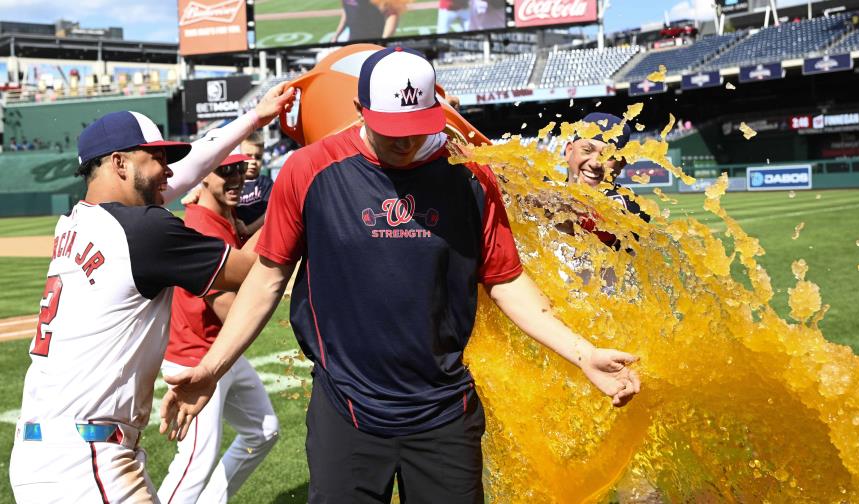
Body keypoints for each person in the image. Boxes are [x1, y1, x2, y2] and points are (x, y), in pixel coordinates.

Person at [160, 47, 640, 504]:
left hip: (446, 411)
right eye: (392, 128)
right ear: (359, 108)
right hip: (345, 409)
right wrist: (211, 368)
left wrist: (584, 353)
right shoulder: (310, 170)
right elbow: (266, 279)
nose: (406, 140)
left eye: (417, 125)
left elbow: (505, 279)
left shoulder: (468, 175)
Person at [8, 84, 293, 503]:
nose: (168, 170)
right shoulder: (144, 231)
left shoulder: (74, 221)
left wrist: (254, 118)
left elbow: (194, 164)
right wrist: (294, 193)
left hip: (40, 455)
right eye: (156, 158)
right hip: (87, 462)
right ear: (120, 162)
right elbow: (258, 271)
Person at [158, 154, 279, 503]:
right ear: (202, 179)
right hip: (194, 361)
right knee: (196, 462)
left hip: (221, 353)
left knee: (264, 431)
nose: (236, 177)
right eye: (225, 170)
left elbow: (244, 245)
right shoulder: (200, 227)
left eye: (240, 168)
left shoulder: (223, 216)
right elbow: (230, 311)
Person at [564, 112, 650, 250]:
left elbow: (571, 220)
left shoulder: (629, 206)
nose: (596, 163)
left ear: (621, 164)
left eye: (608, 156)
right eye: (587, 150)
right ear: (569, 151)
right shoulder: (546, 186)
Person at [234, 132, 273, 239]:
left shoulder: (266, 183)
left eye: (258, 157)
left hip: (260, 238)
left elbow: (269, 213)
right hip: (235, 239)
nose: (253, 161)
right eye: (248, 156)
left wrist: (248, 230)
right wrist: (198, 193)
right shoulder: (232, 182)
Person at [330, 0, 400, 43]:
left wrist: (384, 40)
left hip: (373, 39)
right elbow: (346, 13)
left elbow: (391, 14)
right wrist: (336, 35)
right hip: (353, 39)